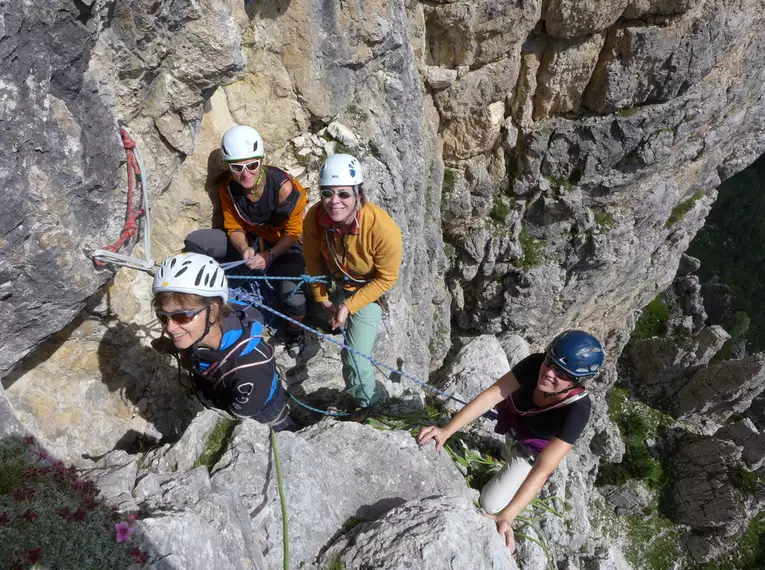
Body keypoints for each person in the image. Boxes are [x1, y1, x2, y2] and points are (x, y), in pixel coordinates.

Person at [417, 330, 604, 551]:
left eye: (562, 373)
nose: (549, 372)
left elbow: (544, 467)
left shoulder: (578, 409)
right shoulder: (535, 363)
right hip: (514, 424)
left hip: (533, 451)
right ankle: (507, 456)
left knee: (490, 503)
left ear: (577, 381)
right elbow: (492, 395)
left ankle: (514, 469)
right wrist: (446, 431)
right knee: (506, 452)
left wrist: (507, 516)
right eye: (550, 361)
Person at [184, 125, 308, 355]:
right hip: (251, 242)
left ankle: (294, 330)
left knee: (294, 298)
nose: (245, 173)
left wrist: (270, 255)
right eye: (237, 167)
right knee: (196, 242)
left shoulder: (285, 188)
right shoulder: (229, 188)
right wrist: (243, 250)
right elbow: (234, 226)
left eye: (252, 165)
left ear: (261, 161)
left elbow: (293, 232)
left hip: (284, 245)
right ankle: (201, 298)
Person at [302, 154, 402, 417]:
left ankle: (365, 403)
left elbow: (387, 278)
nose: (335, 202)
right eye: (327, 193)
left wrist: (348, 306)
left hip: (365, 291)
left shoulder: (382, 229)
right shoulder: (314, 218)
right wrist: (321, 297)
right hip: (334, 282)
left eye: (344, 194)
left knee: (355, 357)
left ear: (359, 193)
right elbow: (313, 261)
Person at [152, 252, 292, 430]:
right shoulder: (200, 330)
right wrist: (175, 347)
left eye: (183, 315)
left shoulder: (251, 368)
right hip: (218, 388)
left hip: (264, 415)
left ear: (213, 311)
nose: (170, 328)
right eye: (163, 316)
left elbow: (239, 418)